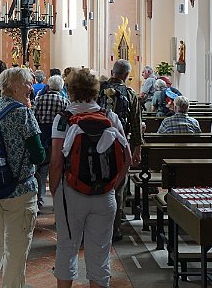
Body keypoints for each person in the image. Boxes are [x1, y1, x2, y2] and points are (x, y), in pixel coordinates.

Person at [50, 68, 130, 288]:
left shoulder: (63, 119)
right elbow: (127, 157)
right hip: (105, 194)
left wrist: (56, 191)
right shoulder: (109, 116)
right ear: (96, 90)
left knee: (67, 247)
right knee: (101, 251)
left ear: (70, 90)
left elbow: (56, 161)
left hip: (72, 192)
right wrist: (112, 185)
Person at [0, 67, 45, 287]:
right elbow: (38, 154)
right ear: (16, 86)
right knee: (16, 248)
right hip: (20, 190)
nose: (31, 87)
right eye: (28, 83)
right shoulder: (22, 113)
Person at [98, 59, 143, 242]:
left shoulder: (98, 90)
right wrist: (137, 149)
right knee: (118, 187)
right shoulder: (131, 94)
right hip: (119, 145)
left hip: (97, 143)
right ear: (126, 76)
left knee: (98, 181)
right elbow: (136, 123)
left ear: (112, 71)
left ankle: (96, 224)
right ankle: (114, 228)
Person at [33, 74, 68, 210]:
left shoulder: (40, 99)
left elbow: (33, 117)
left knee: (40, 169)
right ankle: (57, 203)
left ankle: (38, 200)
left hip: (41, 136)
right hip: (57, 138)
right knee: (57, 168)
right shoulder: (64, 101)